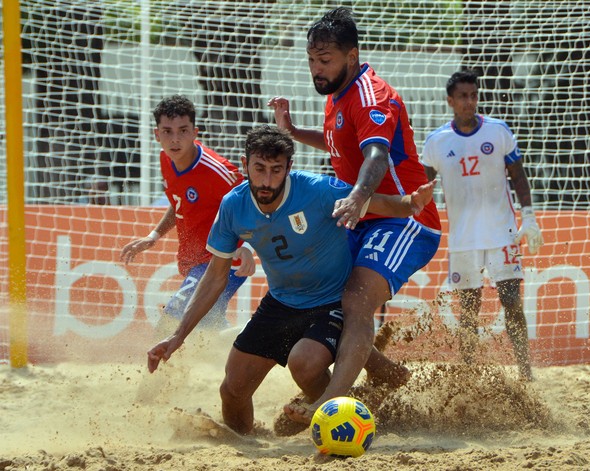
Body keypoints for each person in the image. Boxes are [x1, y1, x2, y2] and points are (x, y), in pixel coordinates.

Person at [146, 125, 435, 435]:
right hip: (282, 302)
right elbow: (215, 277)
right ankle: (247, 443)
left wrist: (410, 204)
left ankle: (356, 415)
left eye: (276, 170)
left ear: (288, 168)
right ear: (245, 166)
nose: (267, 180)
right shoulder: (233, 206)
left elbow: (378, 203)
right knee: (232, 390)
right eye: (259, 169)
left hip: (330, 300)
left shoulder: (317, 190)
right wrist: (178, 336)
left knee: (305, 364)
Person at [268, 6, 442, 424]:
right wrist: (294, 133)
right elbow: (340, 145)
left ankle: (328, 406)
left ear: (352, 54)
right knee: (318, 290)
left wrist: (359, 195)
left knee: (357, 299)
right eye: (311, 59)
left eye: (324, 60)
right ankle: (388, 376)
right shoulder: (337, 95)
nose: (316, 69)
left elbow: (376, 155)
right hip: (360, 216)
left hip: (405, 218)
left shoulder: (371, 93)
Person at [421, 69, 544, 380]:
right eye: (462, 96)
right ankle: (469, 372)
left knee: (512, 301)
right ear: (450, 101)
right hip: (463, 238)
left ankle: (526, 372)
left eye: (474, 95)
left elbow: (518, 175)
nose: (469, 101)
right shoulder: (436, 141)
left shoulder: (498, 131)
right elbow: (422, 185)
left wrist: (528, 215)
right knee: (469, 309)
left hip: (501, 233)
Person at [120, 95, 254, 331]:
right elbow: (179, 201)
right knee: (205, 330)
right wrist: (154, 236)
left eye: (183, 131)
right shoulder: (166, 159)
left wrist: (247, 246)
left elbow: (254, 205)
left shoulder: (217, 172)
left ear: (195, 132)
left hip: (222, 261)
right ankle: (246, 349)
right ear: (156, 135)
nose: (175, 139)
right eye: (167, 131)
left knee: (169, 325)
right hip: (196, 260)